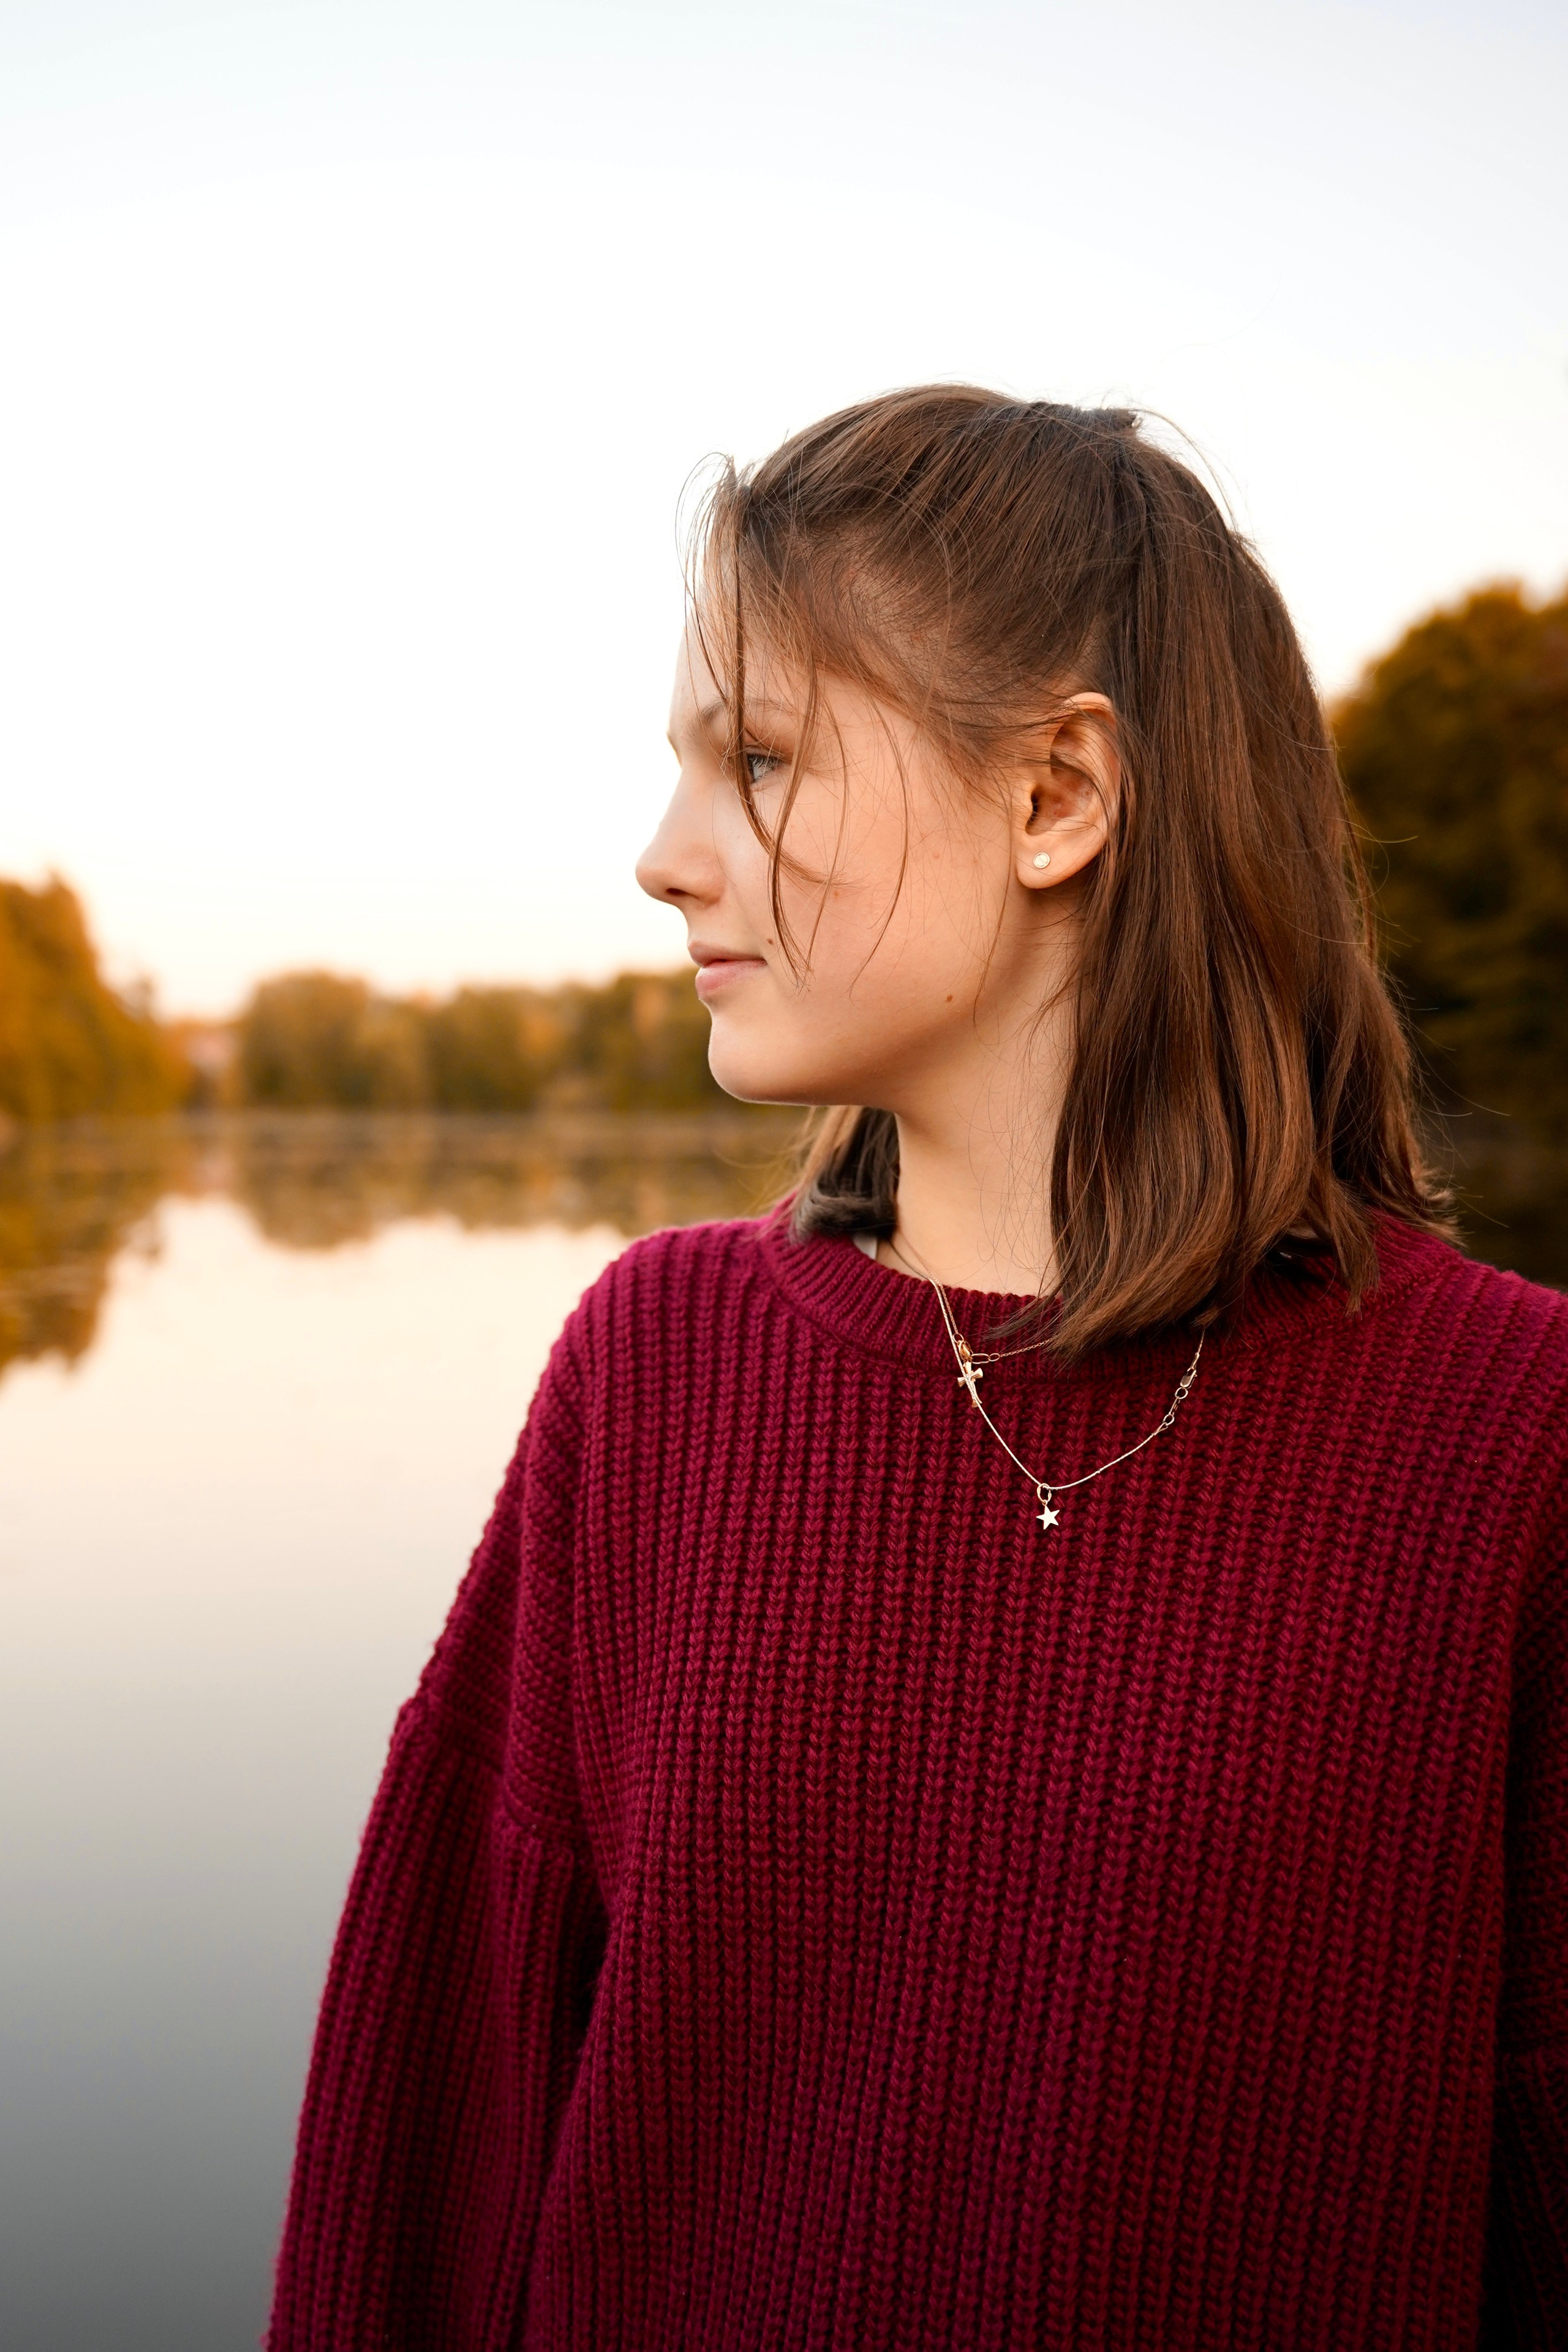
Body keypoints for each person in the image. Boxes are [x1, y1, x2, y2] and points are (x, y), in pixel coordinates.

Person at [266, 388, 1567, 2350]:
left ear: (1058, 795)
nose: (662, 857)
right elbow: (427, 2160)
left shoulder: (1514, 1439)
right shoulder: (655, 1376)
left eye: (762, 757)